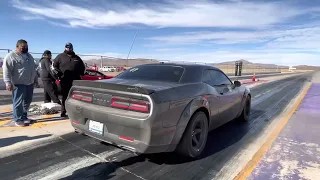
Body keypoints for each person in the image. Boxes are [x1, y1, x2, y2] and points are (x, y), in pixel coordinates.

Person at [2, 39, 36, 126]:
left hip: (29, 83)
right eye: (23, 47)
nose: (25, 48)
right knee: (18, 102)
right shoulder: (11, 56)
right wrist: (8, 82)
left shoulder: (29, 56)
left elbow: (33, 68)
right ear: (17, 47)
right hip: (18, 83)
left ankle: (24, 117)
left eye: (26, 47)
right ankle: (17, 119)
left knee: (27, 101)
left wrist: (34, 79)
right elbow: (6, 70)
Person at [53, 42, 85, 117]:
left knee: (76, 96)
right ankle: (63, 111)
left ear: (72, 48)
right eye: (67, 47)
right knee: (65, 96)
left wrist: (81, 74)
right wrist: (58, 74)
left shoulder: (77, 58)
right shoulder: (60, 56)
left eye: (69, 47)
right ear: (65, 48)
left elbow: (82, 67)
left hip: (75, 80)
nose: (68, 49)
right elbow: (54, 67)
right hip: (64, 80)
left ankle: (75, 111)